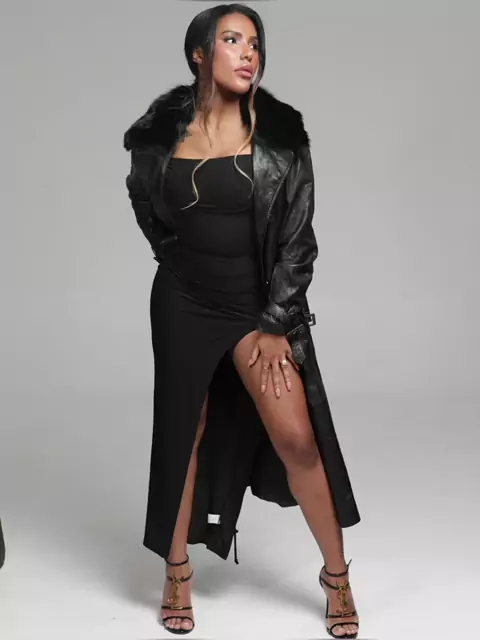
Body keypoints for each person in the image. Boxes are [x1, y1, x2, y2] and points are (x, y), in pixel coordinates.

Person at [123, 3, 361, 637]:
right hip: (182, 303)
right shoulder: (157, 137)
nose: (249, 52)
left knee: (297, 439)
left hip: (258, 310)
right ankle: (177, 571)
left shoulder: (280, 139)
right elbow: (144, 201)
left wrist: (276, 321)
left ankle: (336, 575)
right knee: (183, 436)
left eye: (254, 42)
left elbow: (299, 243)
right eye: (232, 40)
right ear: (200, 54)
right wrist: (176, 261)